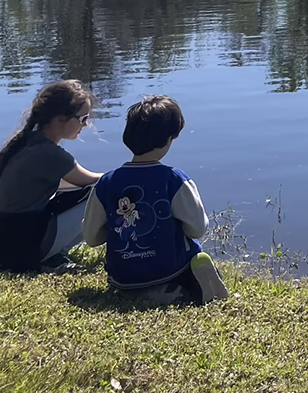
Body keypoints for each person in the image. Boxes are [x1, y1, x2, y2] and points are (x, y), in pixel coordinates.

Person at [82, 95, 228, 304]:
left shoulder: (106, 182)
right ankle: (191, 287)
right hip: (170, 270)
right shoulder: (174, 179)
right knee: (196, 257)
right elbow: (197, 229)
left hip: (121, 278)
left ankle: (153, 292)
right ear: (169, 138)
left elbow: (91, 238)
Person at [0, 79, 102, 271]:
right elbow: (96, 182)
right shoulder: (50, 154)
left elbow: (67, 184)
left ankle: (52, 254)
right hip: (20, 252)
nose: (86, 125)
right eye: (82, 119)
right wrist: (134, 174)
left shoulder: (27, 142)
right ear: (60, 119)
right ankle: (51, 255)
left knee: (79, 195)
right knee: (102, 194)